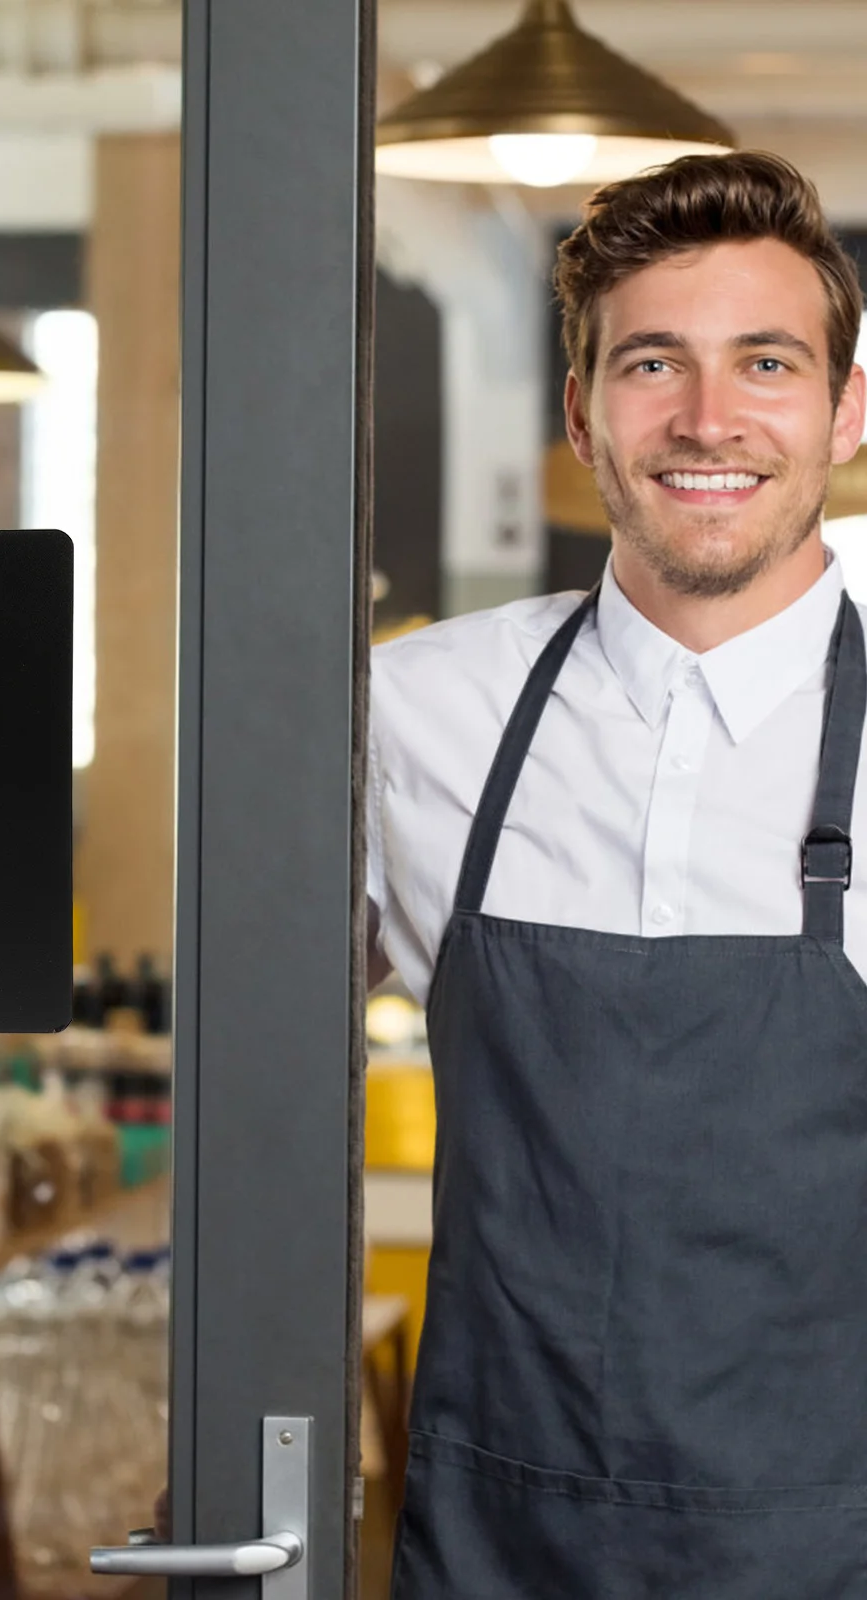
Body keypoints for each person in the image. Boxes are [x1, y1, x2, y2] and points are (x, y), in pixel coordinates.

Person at [370, 150, 867, 1596]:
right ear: (583, 416)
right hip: (495, 1543)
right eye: (655, 364)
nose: (709, 419)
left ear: (846, 409)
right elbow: (254, 1067)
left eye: (764, 361)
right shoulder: (416, 717)